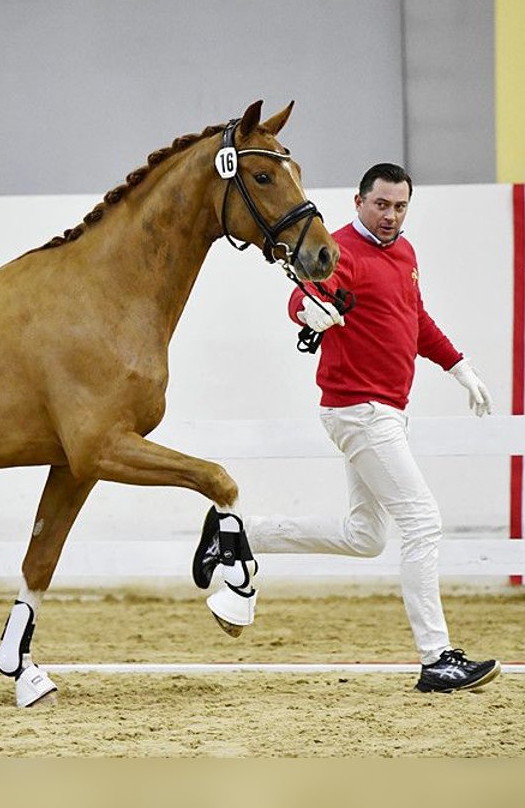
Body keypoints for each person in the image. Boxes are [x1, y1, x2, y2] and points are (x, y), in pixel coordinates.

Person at [197, 162, 501, 693]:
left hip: (386, 412)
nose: (390, 215)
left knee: (365, 538)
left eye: (400, 206)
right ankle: (437, 658)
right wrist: (304, 313)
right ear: (358, 202)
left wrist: (459, 367)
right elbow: (307, 294)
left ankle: (239, 535)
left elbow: (416, 319)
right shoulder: (339, 250)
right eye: (381, 204)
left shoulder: (404, 254)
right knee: (423, 522)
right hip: (361, 411)